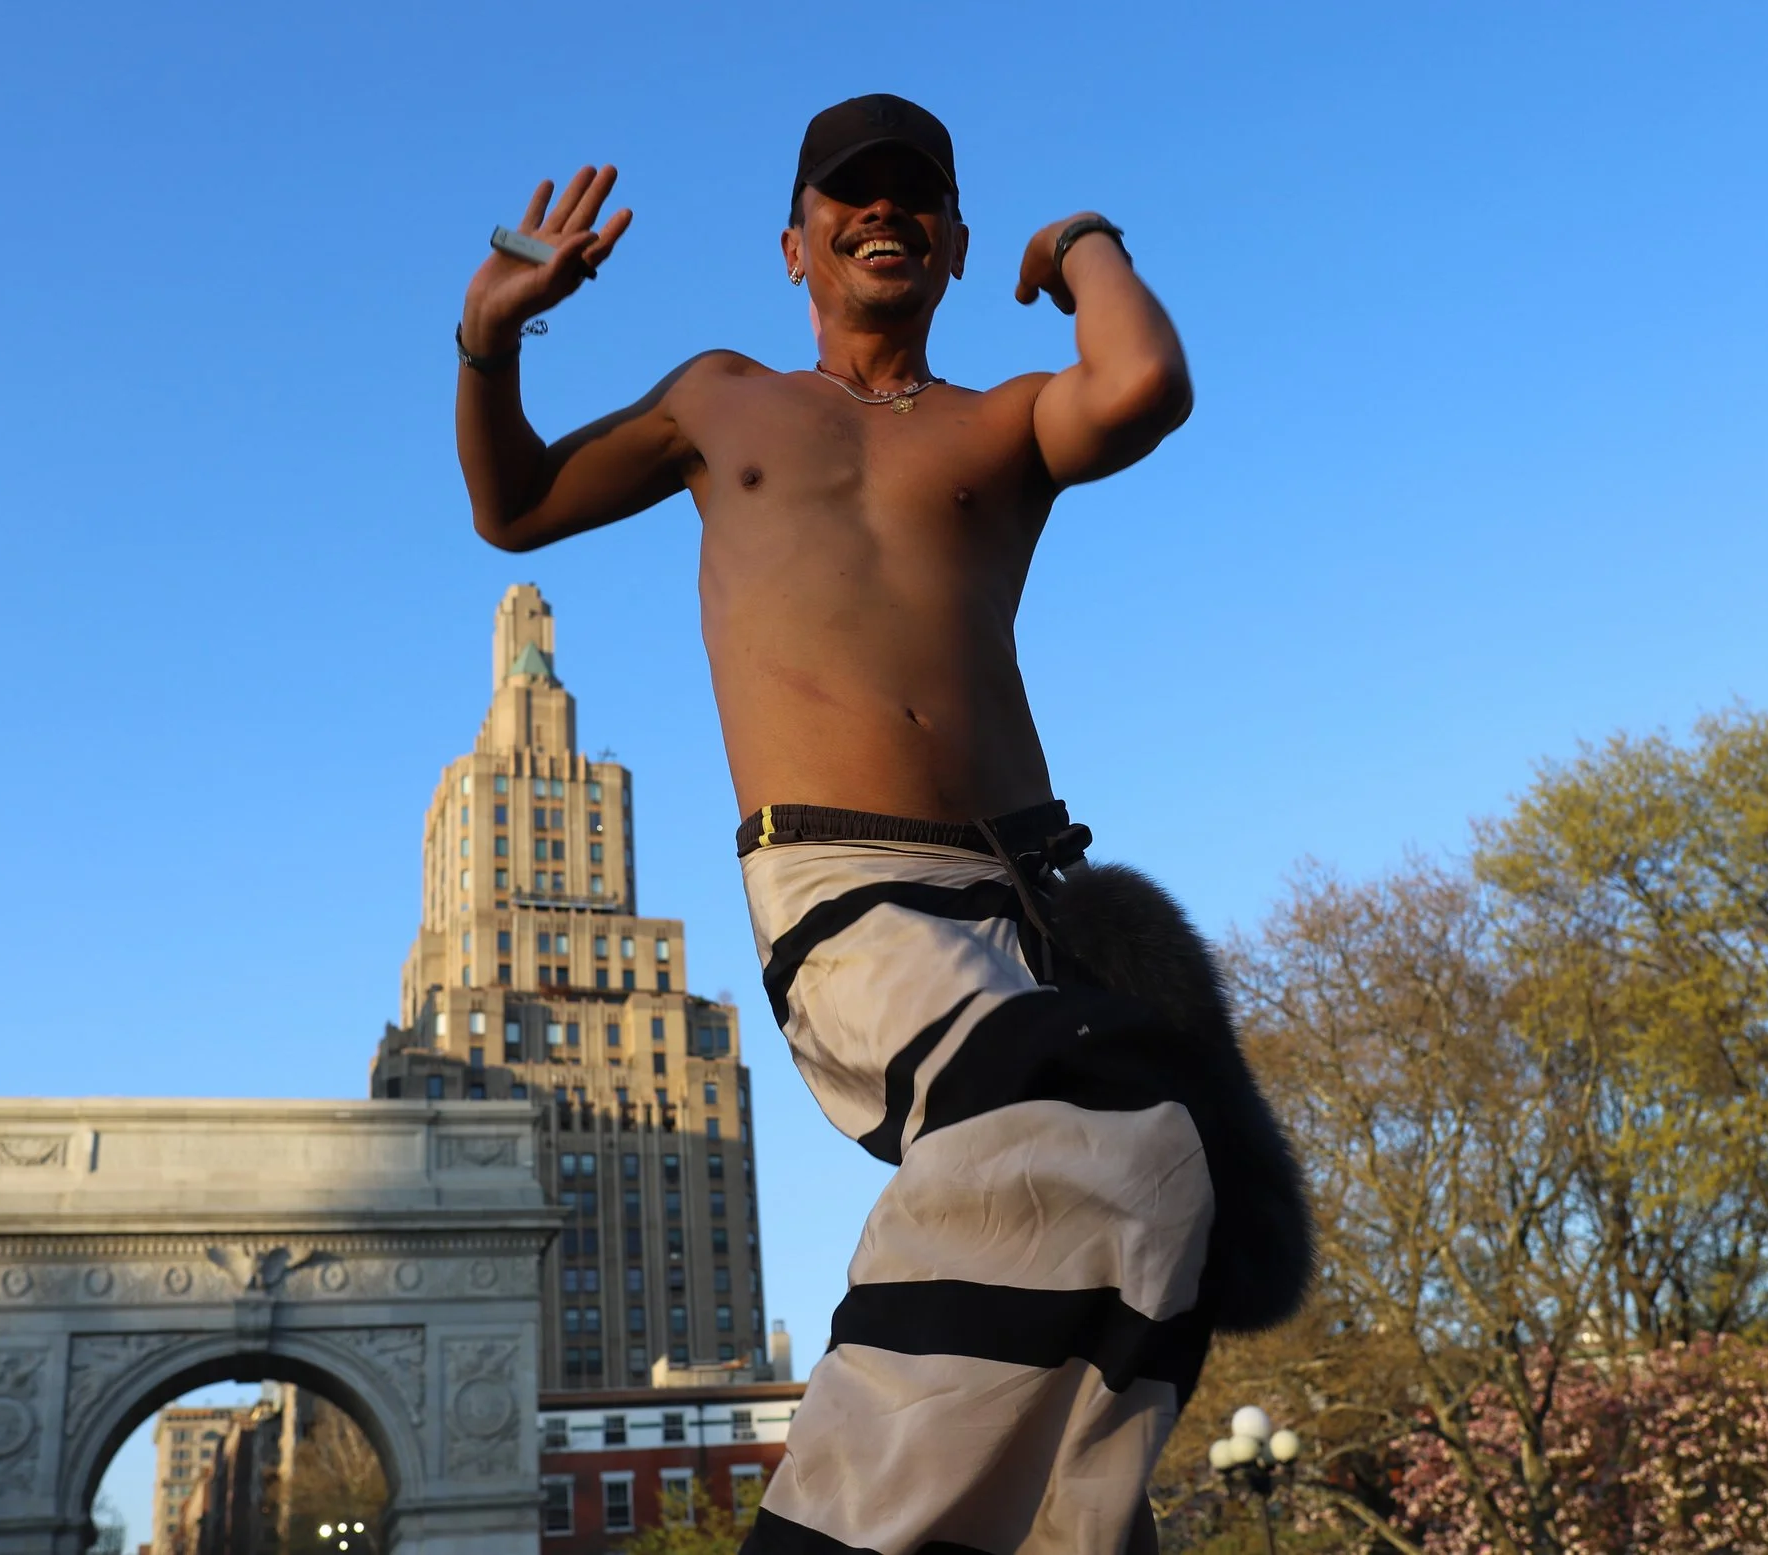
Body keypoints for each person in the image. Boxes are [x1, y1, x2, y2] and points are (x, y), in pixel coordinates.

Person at [453, 93, 1310, 1555]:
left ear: (959, 242)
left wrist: (1083, 242)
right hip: (847, 885)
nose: (885, 212)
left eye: (917, 195)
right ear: (797, 243)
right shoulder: (722, 399)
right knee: (1060, 1111)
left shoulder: (999, 425)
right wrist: (492, 335)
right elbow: (515, 505)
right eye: (852, 195)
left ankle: (1077, 1534)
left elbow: (1145, 381)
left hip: (1032, 887)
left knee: (1163, 1176)